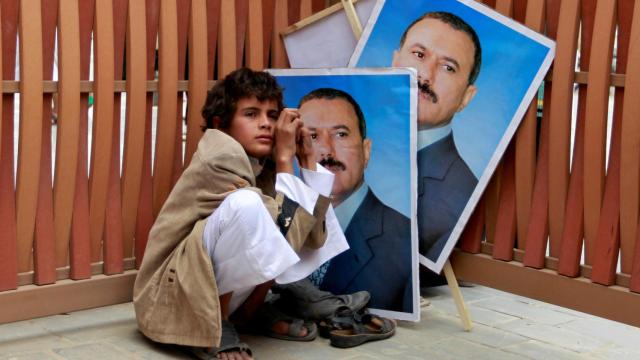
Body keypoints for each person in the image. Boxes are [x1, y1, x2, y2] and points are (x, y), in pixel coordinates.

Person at [133, 68, 348, 360]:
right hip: (174, 298)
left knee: (283, 217)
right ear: (222, 124)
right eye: (251, 114)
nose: (266, 124)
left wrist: (307, 158)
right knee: (247, 204)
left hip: (218, 288)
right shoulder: (221, 157)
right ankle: (217, 327)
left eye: (272, 115)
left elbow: (313, 238)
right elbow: (283, 230)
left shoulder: (263, 162)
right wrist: (286, 159)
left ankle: (251, 313)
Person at [298, 88, 413, 313]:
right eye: (312, 137)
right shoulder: (278, 219)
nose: (326, 152)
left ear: (366, 151)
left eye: (340, 134)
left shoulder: (403, 240)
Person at [392, 11, 481, 263]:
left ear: (466, 97)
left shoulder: (459, 199)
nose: (425, 75)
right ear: (394, 60)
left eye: (447, 67)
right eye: (419, 55)